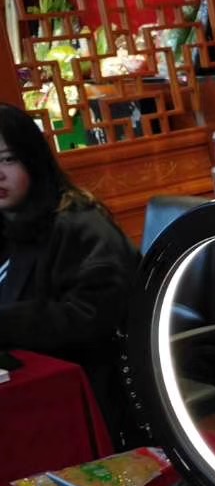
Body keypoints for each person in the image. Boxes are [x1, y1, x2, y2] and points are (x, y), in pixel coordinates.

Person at [0, 101, 139, 443]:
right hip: (29, 377)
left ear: (34, 159)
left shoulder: (79, 225)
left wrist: (7, 322)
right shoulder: (9, 222)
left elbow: (89, 320)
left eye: (8, 159)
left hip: (91, 387)